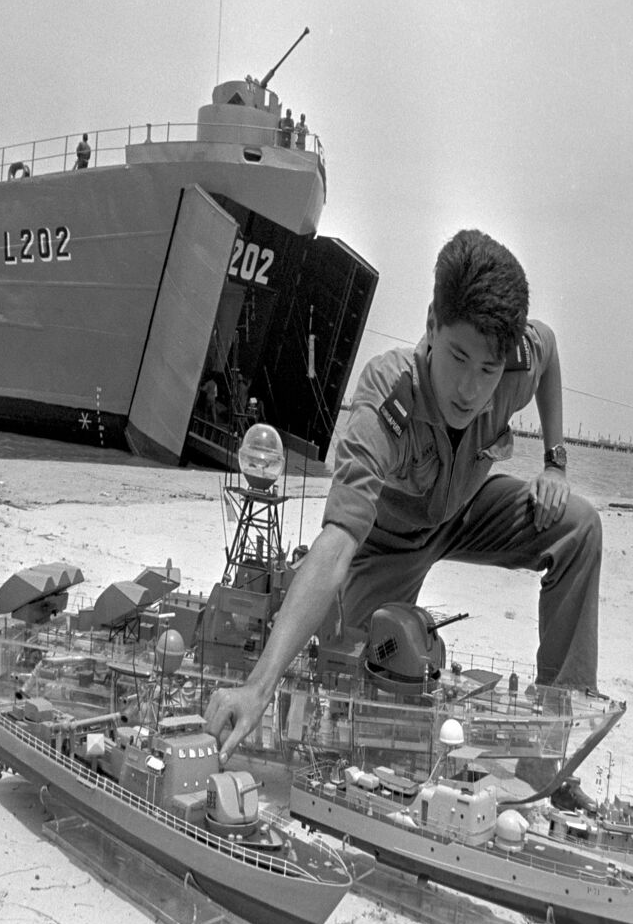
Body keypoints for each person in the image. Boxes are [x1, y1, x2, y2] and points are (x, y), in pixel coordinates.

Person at [204, 227, 602, 761]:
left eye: (487, 369)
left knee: (578, 525)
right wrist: (257, 686)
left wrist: (556, 462)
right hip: (385, 541)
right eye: (457, 357)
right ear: (432, 326)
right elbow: (341, 539)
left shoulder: (517, 358)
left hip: (462, 513)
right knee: (357, 672)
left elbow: (548, 352)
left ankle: (560, 733)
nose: (469, 388)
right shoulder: (384, 399)